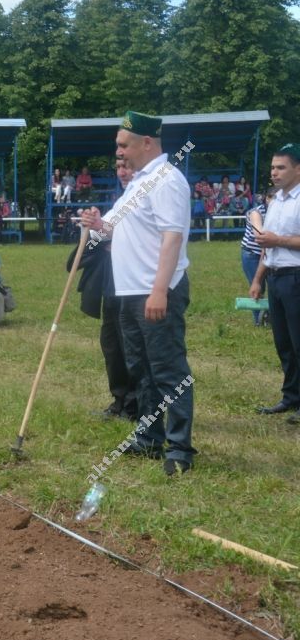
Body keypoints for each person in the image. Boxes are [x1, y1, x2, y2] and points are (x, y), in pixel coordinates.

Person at [80, 111, 195, 476]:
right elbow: (113, 228)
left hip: (154, 291)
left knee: (167, 370)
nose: (120, 152)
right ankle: (149, 436)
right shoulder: (138, 183)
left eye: (123, 145)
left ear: (147, 143)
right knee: (141, 370)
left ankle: (179, 448)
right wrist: (98, 223)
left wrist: (159, 290)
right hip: (129, 292)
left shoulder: (166, 180)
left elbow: (172, 237)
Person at [71, 158, 138, 420]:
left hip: (133, 284)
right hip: (112, 281)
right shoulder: (121, 202)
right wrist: (94, 224)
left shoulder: (143, 198)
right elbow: (100, 236)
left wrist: (107, 233)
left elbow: (131, 237)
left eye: (128, 167)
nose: (123, 172)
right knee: (111, 344)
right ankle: (119, 400)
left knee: (130, 345)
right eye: (119, 168)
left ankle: (135, 406)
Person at [249, 143, 300, 422]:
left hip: (297, 277)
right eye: (272, 167)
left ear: (298, 169)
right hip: (278, 278)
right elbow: (268, 246)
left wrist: (277, 240)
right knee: (284, 343)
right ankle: (291, 397)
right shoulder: (276, 201)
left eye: (281, 167)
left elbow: (275, 240)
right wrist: (258, 279)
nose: (274, 173)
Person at [241, 190, 270, 326]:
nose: (273, 201)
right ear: (265, 198)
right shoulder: (255, 212)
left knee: (275, 286)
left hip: (271, 252)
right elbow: (260, 235)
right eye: (270, 197)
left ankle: (271, 317)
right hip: (252, 253)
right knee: (258, 287)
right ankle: (259, 320)